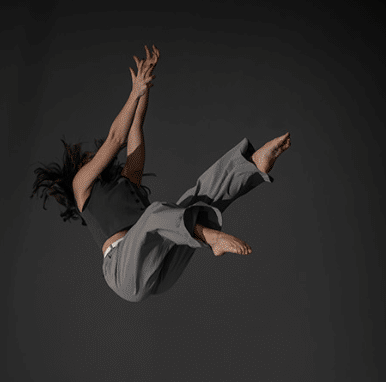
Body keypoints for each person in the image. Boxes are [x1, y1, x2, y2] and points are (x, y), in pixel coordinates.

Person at [30, 46, 292, 303]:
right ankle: (210, 238)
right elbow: (116, 138)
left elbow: (135, 132)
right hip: (123, 272)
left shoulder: (127, 181)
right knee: (154, 214)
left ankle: (252, 166)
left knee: (194, 199)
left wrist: (144, 90)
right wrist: (134, 93)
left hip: (159, 268)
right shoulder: (81, 187)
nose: (96, 162)